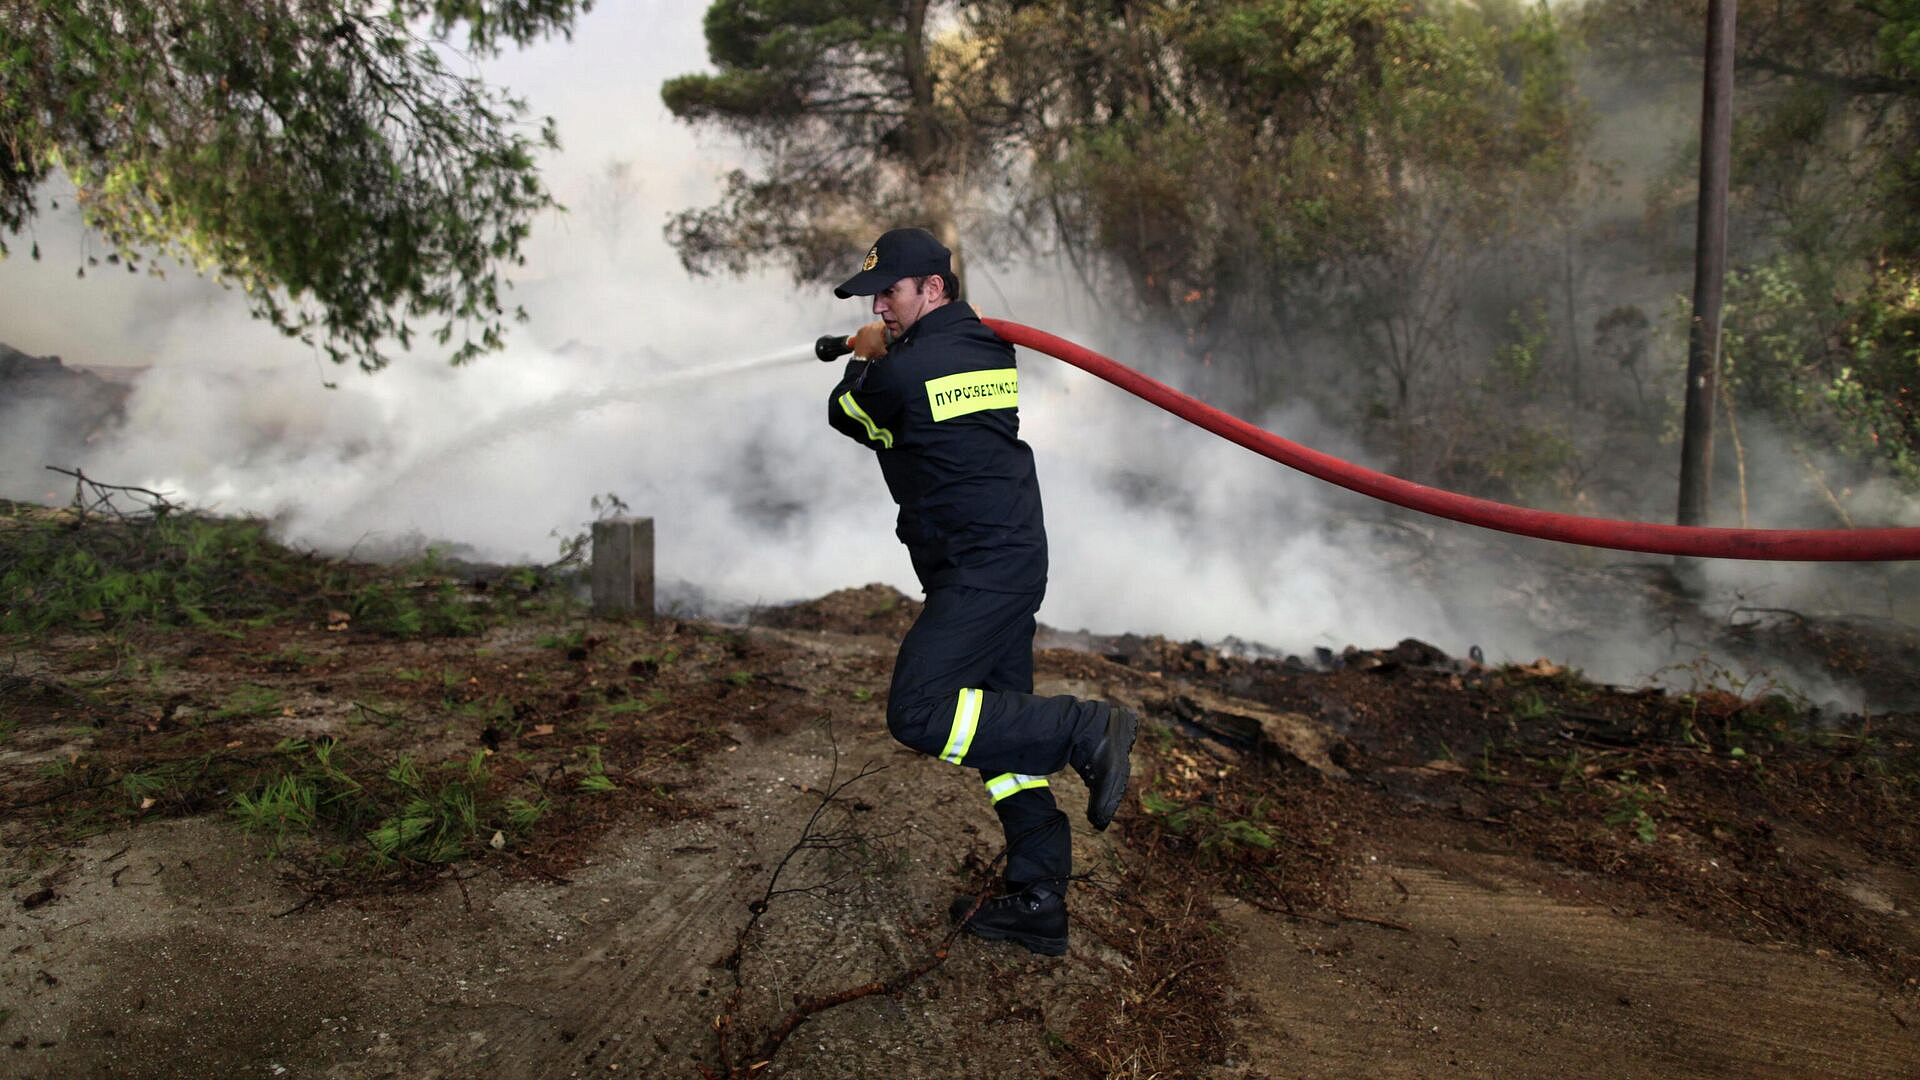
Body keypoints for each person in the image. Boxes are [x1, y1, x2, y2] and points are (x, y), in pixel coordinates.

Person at [825, 226, 1137, 957]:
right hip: (1010, 556)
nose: (881, 306)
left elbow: (849, 417)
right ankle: (1037, 898)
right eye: (875, 297)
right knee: (1002, 737)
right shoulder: (986, 347)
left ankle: (1082, 729)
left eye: (890, 293)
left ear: (933, 288)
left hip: (980, 571)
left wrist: (862, 361)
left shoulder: (902, 373)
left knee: (919, 710)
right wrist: (889, 347)